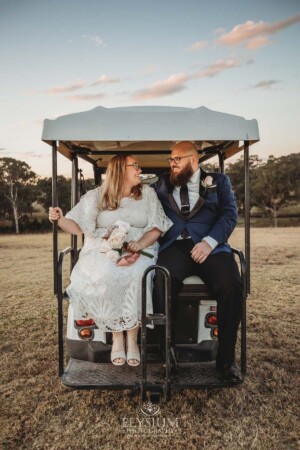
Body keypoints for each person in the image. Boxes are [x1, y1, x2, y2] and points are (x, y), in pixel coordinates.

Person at [49, 154, 171, 367]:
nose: (139, 170)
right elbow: (77, 226)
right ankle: (116, 336)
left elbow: (157, 227)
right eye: (136, 166)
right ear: (121, 169)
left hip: (139, 248)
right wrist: (60, 219)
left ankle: (132, 338)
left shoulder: (148, 194)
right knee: (105, 273)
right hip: (102, 248)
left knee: (137, 273)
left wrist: (140, 244)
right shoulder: (96, 196)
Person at [152, 141, 243, 382]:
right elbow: (135, 198)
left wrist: (210, 242)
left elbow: (229, 215)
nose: (172, 164)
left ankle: (226, 362)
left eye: (177, 160)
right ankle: (167, 356)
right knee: (161, 279)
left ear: (194, 159)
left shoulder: (219, 182)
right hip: (175, 247)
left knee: (232, 284)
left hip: (210, 247)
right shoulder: (161, 182)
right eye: (170, 160)